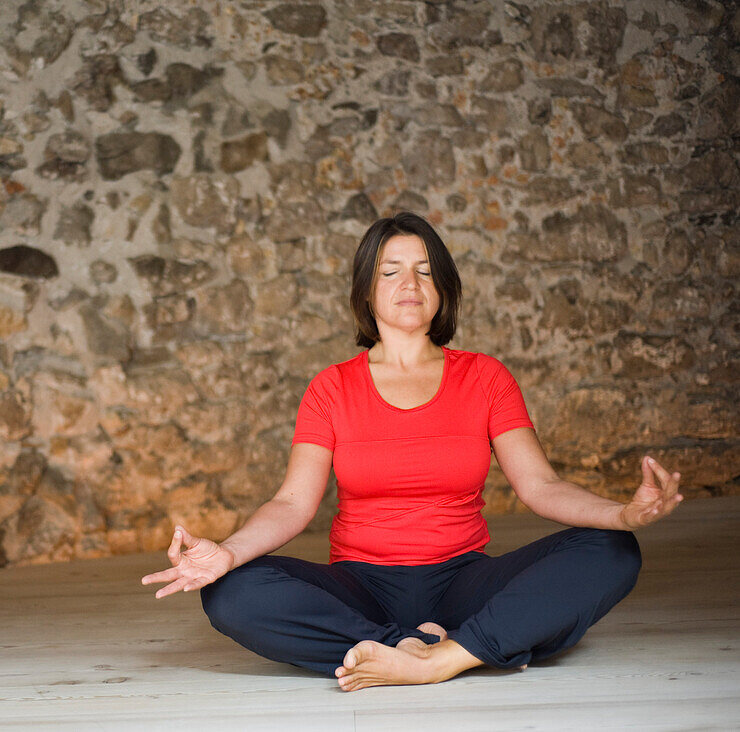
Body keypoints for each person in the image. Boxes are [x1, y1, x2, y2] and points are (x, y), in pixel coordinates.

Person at [141, 212, 683, 690]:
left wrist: (622, 514)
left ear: (443, 288)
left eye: (425, 270)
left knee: (614, 550)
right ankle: (425, 646)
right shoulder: (331, 388)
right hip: (361, 585)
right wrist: (229, 554)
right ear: (366, 290)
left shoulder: (486, 377)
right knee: (231, 592)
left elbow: (541, 487)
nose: (410, 283)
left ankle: (437, 659)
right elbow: (291, 504)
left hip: (464, 581)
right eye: (391, 270)